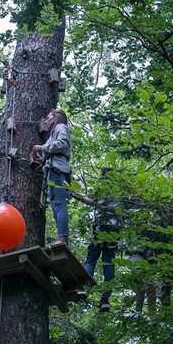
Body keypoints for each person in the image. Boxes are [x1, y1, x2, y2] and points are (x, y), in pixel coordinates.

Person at [72, 170, 121, 312]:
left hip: (100, 229)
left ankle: (85, 288)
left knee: (91, 260)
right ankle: (105, 300)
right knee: (109, 262)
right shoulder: (120, 192)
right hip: (114, 231)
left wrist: (75, 194)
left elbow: (90, 201)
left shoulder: (100, 189)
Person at [31, 109, 71, 245]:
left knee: (59, 204)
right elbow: (51, 149)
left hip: (58, 170)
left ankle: (62, 238)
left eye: (48, 117)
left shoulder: (60, 127)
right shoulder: (52, 134)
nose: (46, 120)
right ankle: (62, 237)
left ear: (55, 118)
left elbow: (62, 144)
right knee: (56, 206)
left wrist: (41, 147)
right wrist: (42, 155)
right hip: (53, 171)